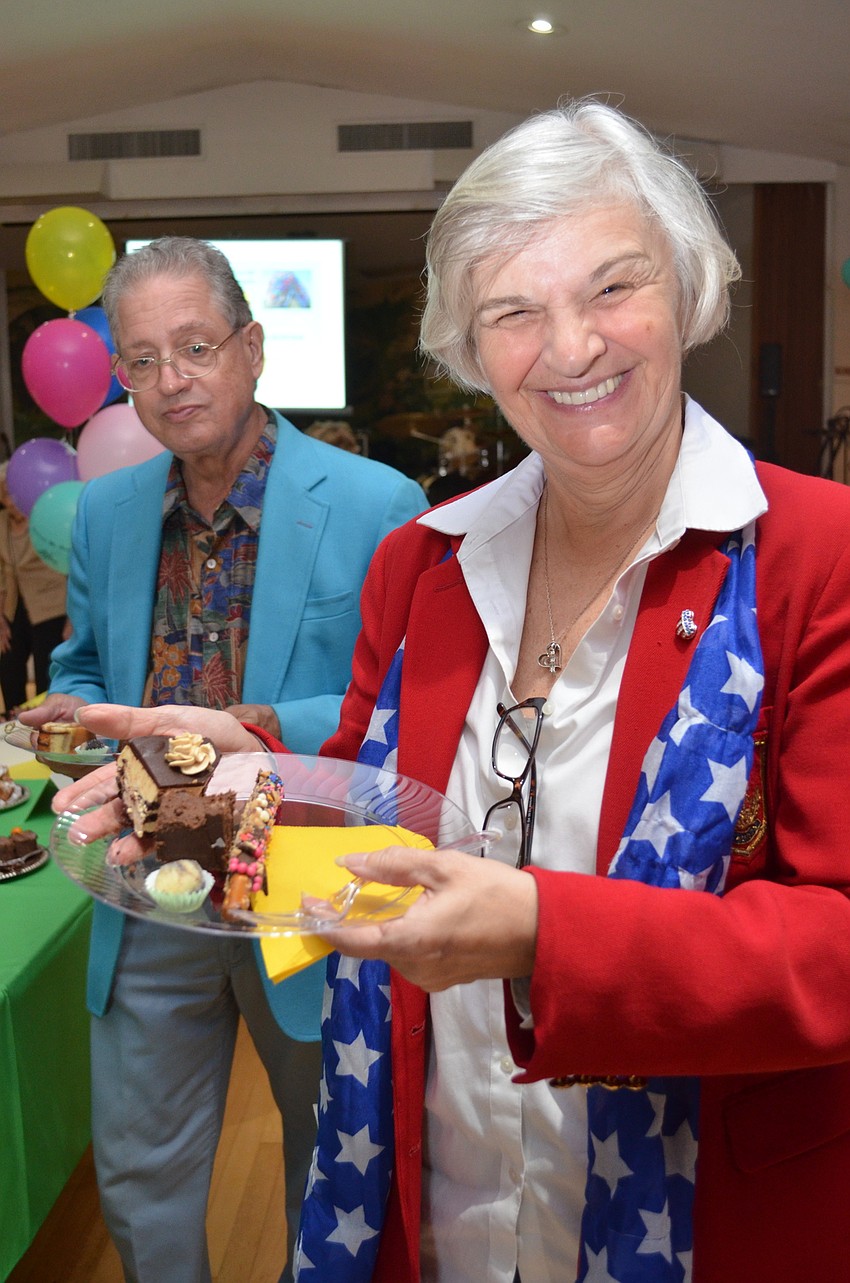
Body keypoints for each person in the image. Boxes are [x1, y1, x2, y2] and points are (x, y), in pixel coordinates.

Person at [53, 102, 850, 1283]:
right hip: (434, 1200)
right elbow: (386, 820)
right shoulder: (423, 568)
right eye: (512, 312)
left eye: (612, 286)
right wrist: (236, 792)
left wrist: (542, 930)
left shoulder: (816, 558)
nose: (569, 347)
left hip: (702, 1220)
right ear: (472, 352)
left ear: (684, 288)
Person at [24, 236, 427, 1283]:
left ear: (251, 349)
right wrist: (74, 715)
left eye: (195, 346)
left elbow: (405, 701)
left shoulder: (377, 502)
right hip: (148, 871)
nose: (171, 380)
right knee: (138, 1164)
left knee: (326, 1150)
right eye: (142, 359)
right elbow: (83, 659)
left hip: (301, 875)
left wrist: (259, 722)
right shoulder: (109, 512)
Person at [0, 462, 69, 713]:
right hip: (16, 606)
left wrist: (74, 617)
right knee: (8, 667)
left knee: (46, 674)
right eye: (5, 493)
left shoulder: (45, 517)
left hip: (52, 607)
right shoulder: (1, 523)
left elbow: (69, 566)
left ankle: (43, 727)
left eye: (13, 491)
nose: (10, 499)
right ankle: (10, 728)